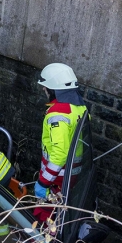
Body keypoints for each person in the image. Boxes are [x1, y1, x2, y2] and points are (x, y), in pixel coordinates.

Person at [33, 63, 86, 223]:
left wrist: (43, 182)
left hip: (57, 178)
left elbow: (59, 154)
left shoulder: (57, 114)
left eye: (46, 87)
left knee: (45, 216)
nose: (44, 90)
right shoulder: (80, 108)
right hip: (72, 176)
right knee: (61, 214)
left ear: (55, 89)